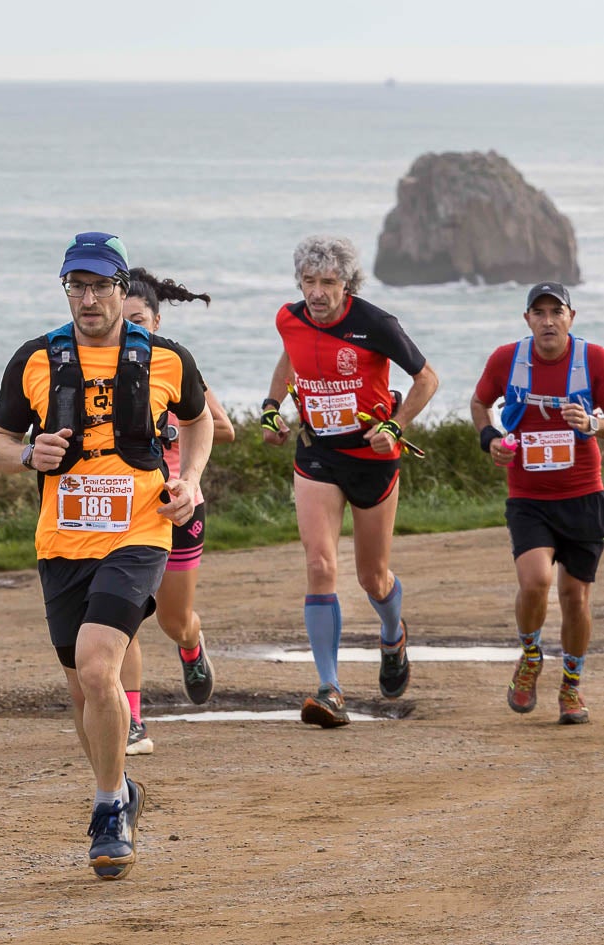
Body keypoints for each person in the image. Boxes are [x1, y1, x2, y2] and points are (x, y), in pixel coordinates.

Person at [0, 232, 212, 880]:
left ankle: (109, 805)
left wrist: (189, 481)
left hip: (139, 531)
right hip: (60, 542)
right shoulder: (34, 360)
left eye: (98, 286)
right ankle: (121, 786)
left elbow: (196, 421)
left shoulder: (167, 359)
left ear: (121, 288)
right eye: (75, 286)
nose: (87, 298)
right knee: (82, 691)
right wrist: (28, 454)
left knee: (95, 662)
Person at [261, 235, 438, 728]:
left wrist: (394, 426)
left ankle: (392, 634)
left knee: (372, 577)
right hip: (317, 454)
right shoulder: (288, 318)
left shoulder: (375, 324)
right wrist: (272, 409)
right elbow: (290, 357)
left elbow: (427, 379)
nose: (317, 293)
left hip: (372, 461)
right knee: (319, 564)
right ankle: (329, 688)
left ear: (347, 284)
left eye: (329, 283)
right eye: (309, 282)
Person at [471, 282, 602, 725]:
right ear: (527, 318)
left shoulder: (594, 360)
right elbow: (479, 402)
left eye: (556, 312)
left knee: (575, 598)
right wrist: (490, 439)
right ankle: (530, 655)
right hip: (528, 496)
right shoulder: (507, 360)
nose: (548, 320)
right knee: (534, 582)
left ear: (571, 316)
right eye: (539, 312)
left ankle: (571, 687)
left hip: (584, 495)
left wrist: (592, 423)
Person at [116, 272, 235, 755]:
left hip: (179, 508)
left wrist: (169, 432)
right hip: (124, 509)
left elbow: (221, 427)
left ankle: (191, 644)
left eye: (139, 321)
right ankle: (133, 723)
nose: (130, 331)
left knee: (172, 619)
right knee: (120, 617)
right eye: (122, 322)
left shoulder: (172, 363)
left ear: (156, 320)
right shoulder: (99, 366)